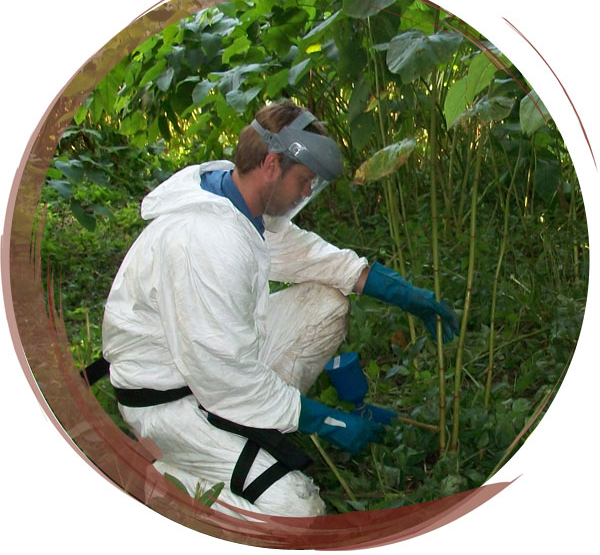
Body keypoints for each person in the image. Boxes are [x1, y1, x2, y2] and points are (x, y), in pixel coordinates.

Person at [102, 100, 459, 519]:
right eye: (305, 180)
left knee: (327, 303)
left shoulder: (238, 201)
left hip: (211, 368)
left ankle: (258, 423)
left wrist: (404, 294)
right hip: (170, 404)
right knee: (297, 509)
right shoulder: (205, 240)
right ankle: (163, 483)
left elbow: (307, 256)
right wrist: (324, 420)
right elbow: (224, 378)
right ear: (272, 164)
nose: (308, 192)